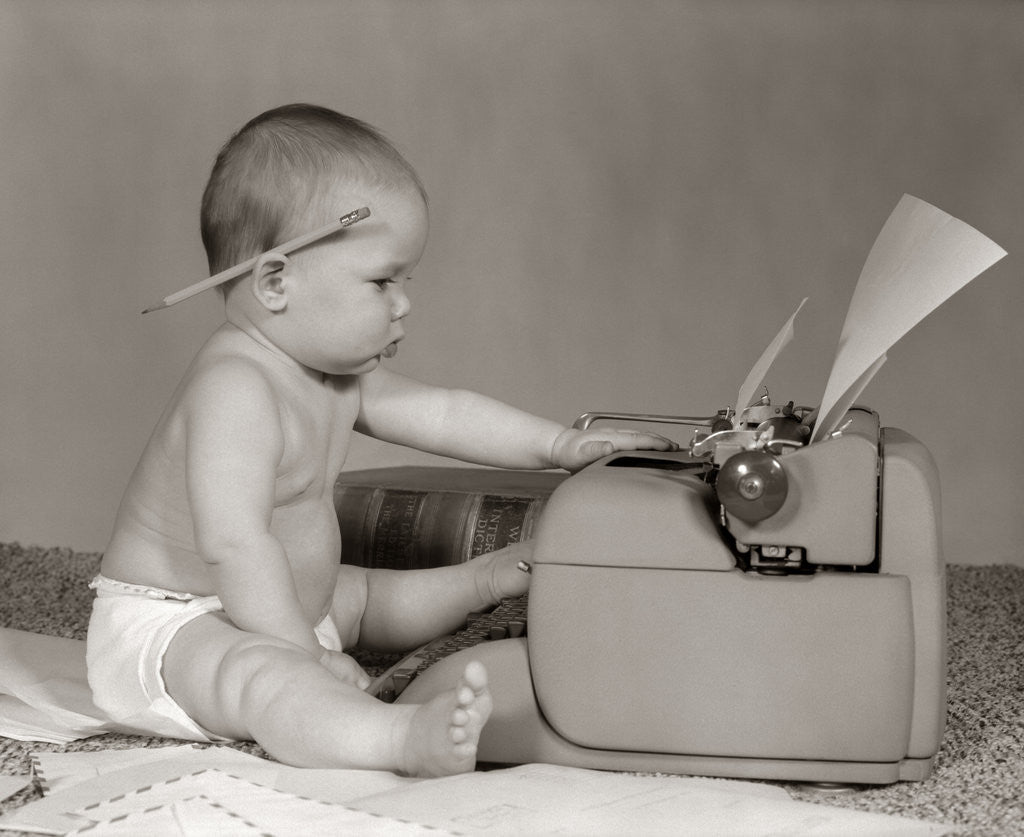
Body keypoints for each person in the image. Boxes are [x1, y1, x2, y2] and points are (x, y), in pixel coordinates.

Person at [86, 104, 675, 777]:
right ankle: (395, 739)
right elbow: (235, 544)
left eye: (407, 280)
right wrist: (300, 652)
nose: (403, 303)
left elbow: (447, 414)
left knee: (364, 596)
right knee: (258, 676)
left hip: (283, 599)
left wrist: (562, 445)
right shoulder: (235, 387)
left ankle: (483, 578)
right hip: (176, 621)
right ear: (275, 281)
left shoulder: (335, 373)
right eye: (381, 281)